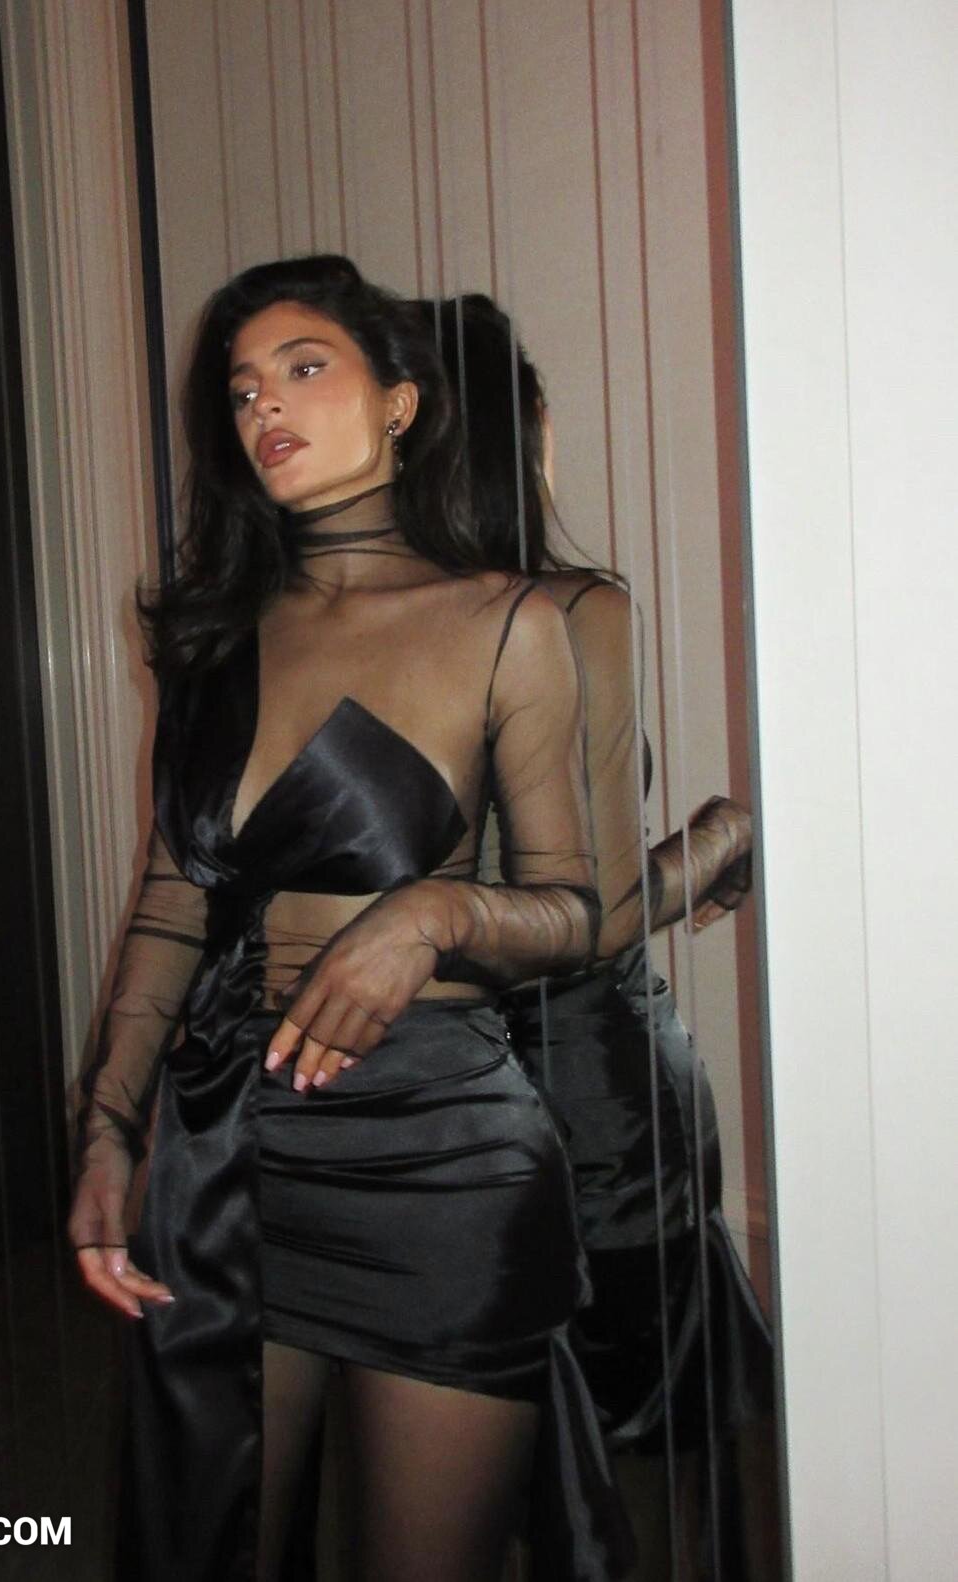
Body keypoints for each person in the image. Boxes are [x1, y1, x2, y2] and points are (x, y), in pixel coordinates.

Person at [67, 257, 634, 1582]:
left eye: (305, 366)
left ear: (399, 401)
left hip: (441, 1163)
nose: (265, 404)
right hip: (228, 1143)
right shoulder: (211, 640)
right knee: (214, 1542)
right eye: (242, 387)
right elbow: (172, 903)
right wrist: (107, 1123)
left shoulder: (510, 623)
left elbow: (583, 911)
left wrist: (431, 912)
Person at [431, 293, 776, 1579]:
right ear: (527, 433)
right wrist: (724, 832)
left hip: (446, 1097)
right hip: (598, 1102)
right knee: (660, 1446)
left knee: (481, 1458)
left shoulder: (371, 623)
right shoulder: (575, 609)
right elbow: (597, 918)